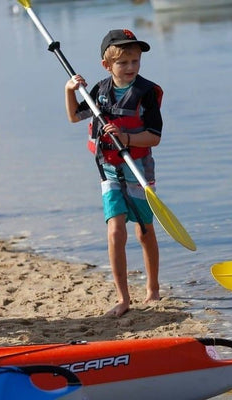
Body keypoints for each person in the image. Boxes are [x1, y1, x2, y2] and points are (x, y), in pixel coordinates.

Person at [65, 29, 163, 317]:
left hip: (138, 169)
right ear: (107, 66)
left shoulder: (146, 92)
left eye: (135, 61)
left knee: (144, 231)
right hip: (108, 168)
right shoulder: (99, 90)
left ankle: (153, 289)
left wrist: (127, 137)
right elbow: (74, 116)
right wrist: (69, 90)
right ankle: (123, 298)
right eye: (123, 63)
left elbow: (154, 137)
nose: (131, 67)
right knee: (115, 231)